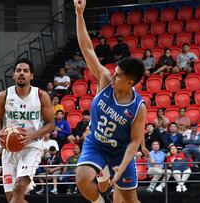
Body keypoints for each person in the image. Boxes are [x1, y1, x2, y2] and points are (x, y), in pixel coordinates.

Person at [75, 1, 147, 202]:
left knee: (129, 200)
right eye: (114, 73)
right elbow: (87, 49)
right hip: (96, 142)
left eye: (118, 75)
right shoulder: (106, 80)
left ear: (130, 82)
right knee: (81, 179)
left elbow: (134, 141)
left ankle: (108, 176)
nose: (113, 76)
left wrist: (123, 165)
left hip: (120, 153)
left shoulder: (137, 107)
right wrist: (79, 14)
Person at [0, 58, 55, 203]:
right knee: (12, 198)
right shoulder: (4, 95)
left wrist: (33, 134)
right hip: (9, 148)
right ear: (13, 75)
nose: (21, 73)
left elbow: (51, 124)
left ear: (31, 76)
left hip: (32, 146)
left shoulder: (41, 95)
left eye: (25, 71)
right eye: (18, 71)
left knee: (19, 188)